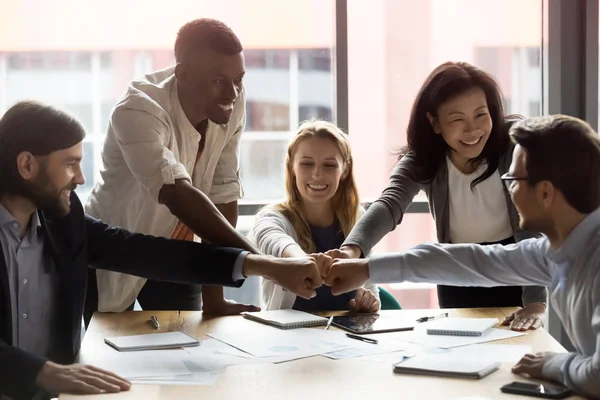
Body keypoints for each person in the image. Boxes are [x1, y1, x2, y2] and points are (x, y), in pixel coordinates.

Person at [0, 101, 324, 400]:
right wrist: (42, 372)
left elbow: (145, 253)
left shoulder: (63, 218)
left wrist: (263, 266)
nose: (79, 178)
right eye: (70, 164)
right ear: (27, 165)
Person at [323, 114, 600, 399]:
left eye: (513, 179)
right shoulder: (555, 251)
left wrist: (557, 363)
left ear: (544, 193)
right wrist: (366, 268)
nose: (509, 189)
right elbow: (471, 261)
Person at [328, 62, 547, 331]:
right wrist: (351, 250)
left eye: (481, 115)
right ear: (434, 122)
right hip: (455, 270)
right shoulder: (424, 159)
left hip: (515, 266)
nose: (473, 130)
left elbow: (531, 227)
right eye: (457, 120)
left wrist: (536, 301)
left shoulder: (513, 146)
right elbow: (388, 204)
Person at [84, 18, 260, 323]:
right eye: (219, 80)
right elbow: (177, 195)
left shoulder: (232, 102)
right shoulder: (138, 108)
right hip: (116, 249)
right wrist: (262, 262)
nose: (232, 93)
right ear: (184, 74)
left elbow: (223, 191)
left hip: (176, 253)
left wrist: (214, 298)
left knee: (185, 351)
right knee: (101, 351)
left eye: (239, 80)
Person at [248, 120, 380, 312]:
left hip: (344, 336)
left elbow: (370, 289)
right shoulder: (272, 217)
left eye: (329, 165)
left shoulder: (358, 217)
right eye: (307, 164)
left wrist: (367, 303)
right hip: (288, 337)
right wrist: (302, 261)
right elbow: (271, 239)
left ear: (345, 170)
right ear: (292, 167)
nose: (317, 174)